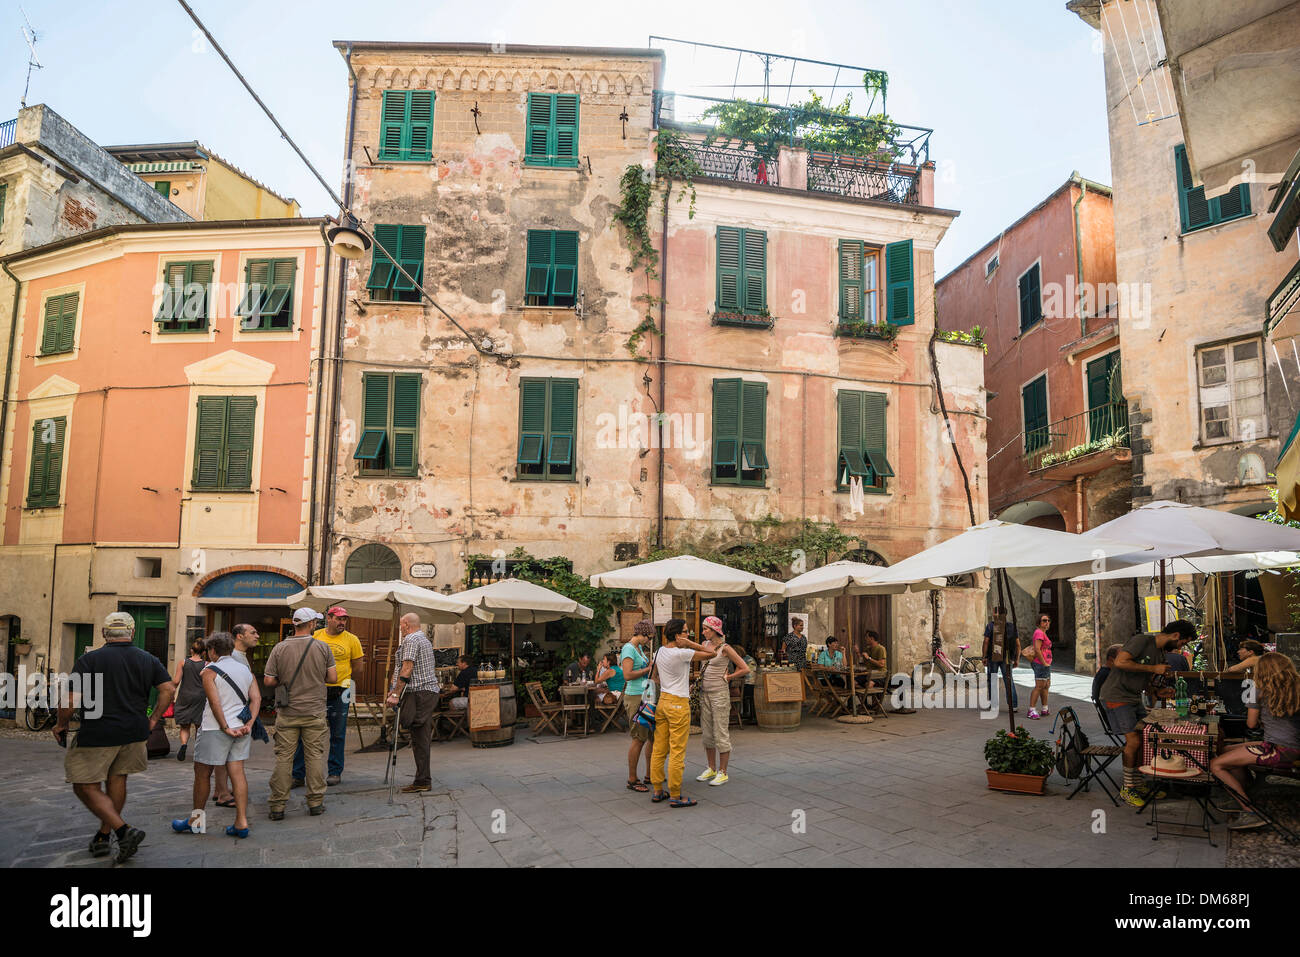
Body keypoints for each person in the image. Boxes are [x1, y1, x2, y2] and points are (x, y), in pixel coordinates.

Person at [53, 611, 175, 863]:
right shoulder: (148, 659)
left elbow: (72, 700)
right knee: (117, 780)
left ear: (103, 634)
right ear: (131, 633)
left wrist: (60, 723)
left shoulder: (89, 660)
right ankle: (103, 835)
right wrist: (153, 719)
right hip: (134, 732)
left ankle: (122, 830)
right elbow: (167, 689)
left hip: (98, 733)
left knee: (84, 785)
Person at [1098, 620, 1197, 808]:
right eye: (1182, 643)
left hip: (1133, 697)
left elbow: (1143, 680)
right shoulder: (1142, 640)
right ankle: (1128, 788)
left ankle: (1137, 783)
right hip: (1116, 695)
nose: (1179, 648)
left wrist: (1156, 691)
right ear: (1176, 635)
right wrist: (1153, 668)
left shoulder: (1160, 654)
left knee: (1144, 737)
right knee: (1133, 740)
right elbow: (1120, 662)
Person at [172, 633, 259, 839]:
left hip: (214, 728)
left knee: (202, 773)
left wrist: (224, 726)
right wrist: (250, 723)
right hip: (241, 727)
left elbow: (214, 702)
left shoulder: (209, 671)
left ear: (212, 651)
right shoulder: (245, 670)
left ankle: (196, 821)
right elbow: (256, 698)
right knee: (237, 772)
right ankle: (241, 821)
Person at [1210, 652, 1300, 830]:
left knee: (1215, 764)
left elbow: (1251, 724)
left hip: (1277, 749)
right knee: (1227, 751)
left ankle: (1250, 811)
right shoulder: (1297, 687)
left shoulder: (1258, 689)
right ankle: (1245, 794)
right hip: (1292, 747)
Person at [264, 607, 336, 820]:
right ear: (312, 623)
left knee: (284, 758)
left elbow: (268, 680)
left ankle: (278, 805)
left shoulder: (279, 648)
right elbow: (332, 678)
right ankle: (315, 802)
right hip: (314, 710)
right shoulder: (323, 647)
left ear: (295, 624)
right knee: (314, 756)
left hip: (288, 712)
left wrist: (284, 682)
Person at [648, 618, 718, 807]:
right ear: (678, 635)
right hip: (678, 703)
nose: (689, 635)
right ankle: (676, 794)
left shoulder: (659, 651)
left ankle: (657, 789)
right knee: (677, 751)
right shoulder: (682, 653)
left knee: (659, 749)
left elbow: (654, 677)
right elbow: (712, 652)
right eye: (686, 632)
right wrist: (689, 644)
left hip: (663, 701)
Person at [292, 606, 364, 788]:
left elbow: (358, 667)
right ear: (329, 618)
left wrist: (344, 679)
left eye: (344, 619)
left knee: (338, 734)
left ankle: (334, 772)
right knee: (305, 732)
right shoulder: (316, 636)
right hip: (316, 690)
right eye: (339, 619)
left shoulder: (352, 640)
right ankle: (298, 774)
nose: (342, 623)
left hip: (343, 691)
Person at [385, 613, 440, 794]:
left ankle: (422, 780)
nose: (400, 629)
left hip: (418, 692)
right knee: (420, 736)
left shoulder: (411, 639)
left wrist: (395, 693)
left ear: (406, 624)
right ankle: (422, 779)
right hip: (425, 692)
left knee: (415, 731)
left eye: (401, 626)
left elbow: (407, 668)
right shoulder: (423, 639)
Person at [696, 616, 749, 787]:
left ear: (715, 630)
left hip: (719, 693)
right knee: (707, 732)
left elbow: (745, 668)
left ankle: (723, 772)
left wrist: (729, 677)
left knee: (720, 732)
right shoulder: (704, 645)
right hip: (705, 693)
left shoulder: (725, 648)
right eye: (703, 628)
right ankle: (711, 767)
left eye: (706, 629)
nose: (703, 631)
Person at [214, 624, 260, 807]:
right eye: (253, 632)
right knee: (227, 755)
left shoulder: (240, 656)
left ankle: (221, 789)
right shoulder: (232, 656)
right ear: (239, 636)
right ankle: (222, 792)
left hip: (233, 712)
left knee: (226, 754)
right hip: (230, 713)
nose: (257, 635)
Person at [621, 619, 655, 792]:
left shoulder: (638, 648)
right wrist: (647, 670)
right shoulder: (628, 649)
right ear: (641, 634)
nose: (649, 641)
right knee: (638, 738)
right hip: (634, 696)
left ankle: (650, 774)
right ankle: (632, 779)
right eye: (648, 637)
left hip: (644, 694)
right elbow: (627, 675)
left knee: (650, 736)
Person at [171, 638, 208, 761]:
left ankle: (183, 745)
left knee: (185, 725)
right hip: (200, 697)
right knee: (198, 725)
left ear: (191, 650)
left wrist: (171, 692)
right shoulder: (206, 665)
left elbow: (176, 681)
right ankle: (198, 751)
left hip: (185, 695)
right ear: (203, 652)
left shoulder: (183, 662)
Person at [982, 607, 1019, 713]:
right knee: (1008, 680)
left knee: (992, 679)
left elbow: (986, 642)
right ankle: (1013, 705)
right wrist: (1016, 659)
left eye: (994, 612)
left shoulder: (990, 626)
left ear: (996, 614)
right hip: (1007, 657)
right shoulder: (1012, 627)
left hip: (993, 656)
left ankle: (993, 705)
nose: (993, 614)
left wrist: (984, 656)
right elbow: (1017, 644)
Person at [1025, 614, 1053, 719]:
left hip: (1045, 663)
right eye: (1044, 620)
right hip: (1041, 663)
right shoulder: (1039, 633)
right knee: (1039, 686)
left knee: (1046, 685)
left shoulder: (1043, 633)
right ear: (1039, 622)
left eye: (1048, 620)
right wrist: (1044, 663)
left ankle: (1045, 708)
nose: (1047, 622)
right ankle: (1031, 710)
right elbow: (1037, 649)